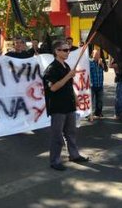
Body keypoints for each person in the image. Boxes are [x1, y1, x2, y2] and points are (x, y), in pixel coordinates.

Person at [43, 40, 89, 171]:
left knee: (71, 133)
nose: (68, 52)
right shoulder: (51, 69)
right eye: (65, 50)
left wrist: (76, 98)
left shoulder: (67, 66)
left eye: (68, 49)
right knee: (57, 135)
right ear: (57, 51)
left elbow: (70, 85)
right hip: (58, 107)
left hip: (69, 105)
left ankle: (74, 155)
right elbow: (53, 88)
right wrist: (68, 76)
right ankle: (55, 161)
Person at [89, 49, 105, 120]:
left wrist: (101, 64)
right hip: (92, 85)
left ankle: (98, 113)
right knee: (90, 101)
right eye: (96, 54)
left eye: (98, 54)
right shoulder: (89, 63)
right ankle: (89, 114)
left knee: (100, 100)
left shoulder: (101, 62)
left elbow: (105, 69)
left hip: (100, 85)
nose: (97, 55)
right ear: (92, 55)